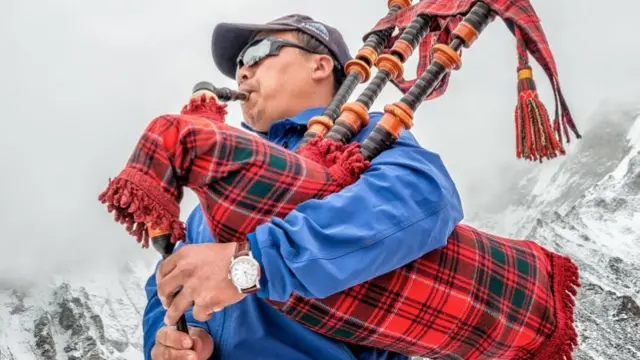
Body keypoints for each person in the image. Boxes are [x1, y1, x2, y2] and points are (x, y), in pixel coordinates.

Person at [142, 13, 464, 360]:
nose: (242, 73)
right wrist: (178, 338)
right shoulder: (222, 186)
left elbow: (424, 197)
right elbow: (167, 281)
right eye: (238, 65)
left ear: (320, 66)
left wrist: (249, 264)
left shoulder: (360, 141)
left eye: (257, 54)